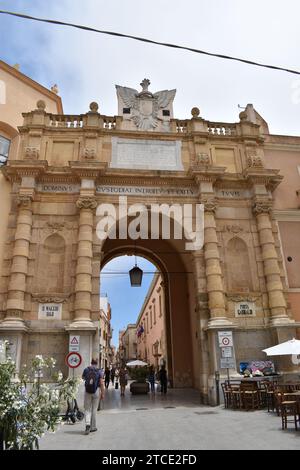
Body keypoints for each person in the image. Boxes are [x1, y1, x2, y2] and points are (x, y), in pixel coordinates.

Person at [82, 358, 104, 435]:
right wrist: (103, 393)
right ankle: (93, 427)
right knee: (94, 409)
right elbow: (101, 383)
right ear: (97, 363)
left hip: (87, 391)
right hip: (96, 391)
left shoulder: (86, 370)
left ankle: (87, 424)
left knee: (87, 409)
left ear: (91, 363)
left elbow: (83, 378)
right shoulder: (99, 371)